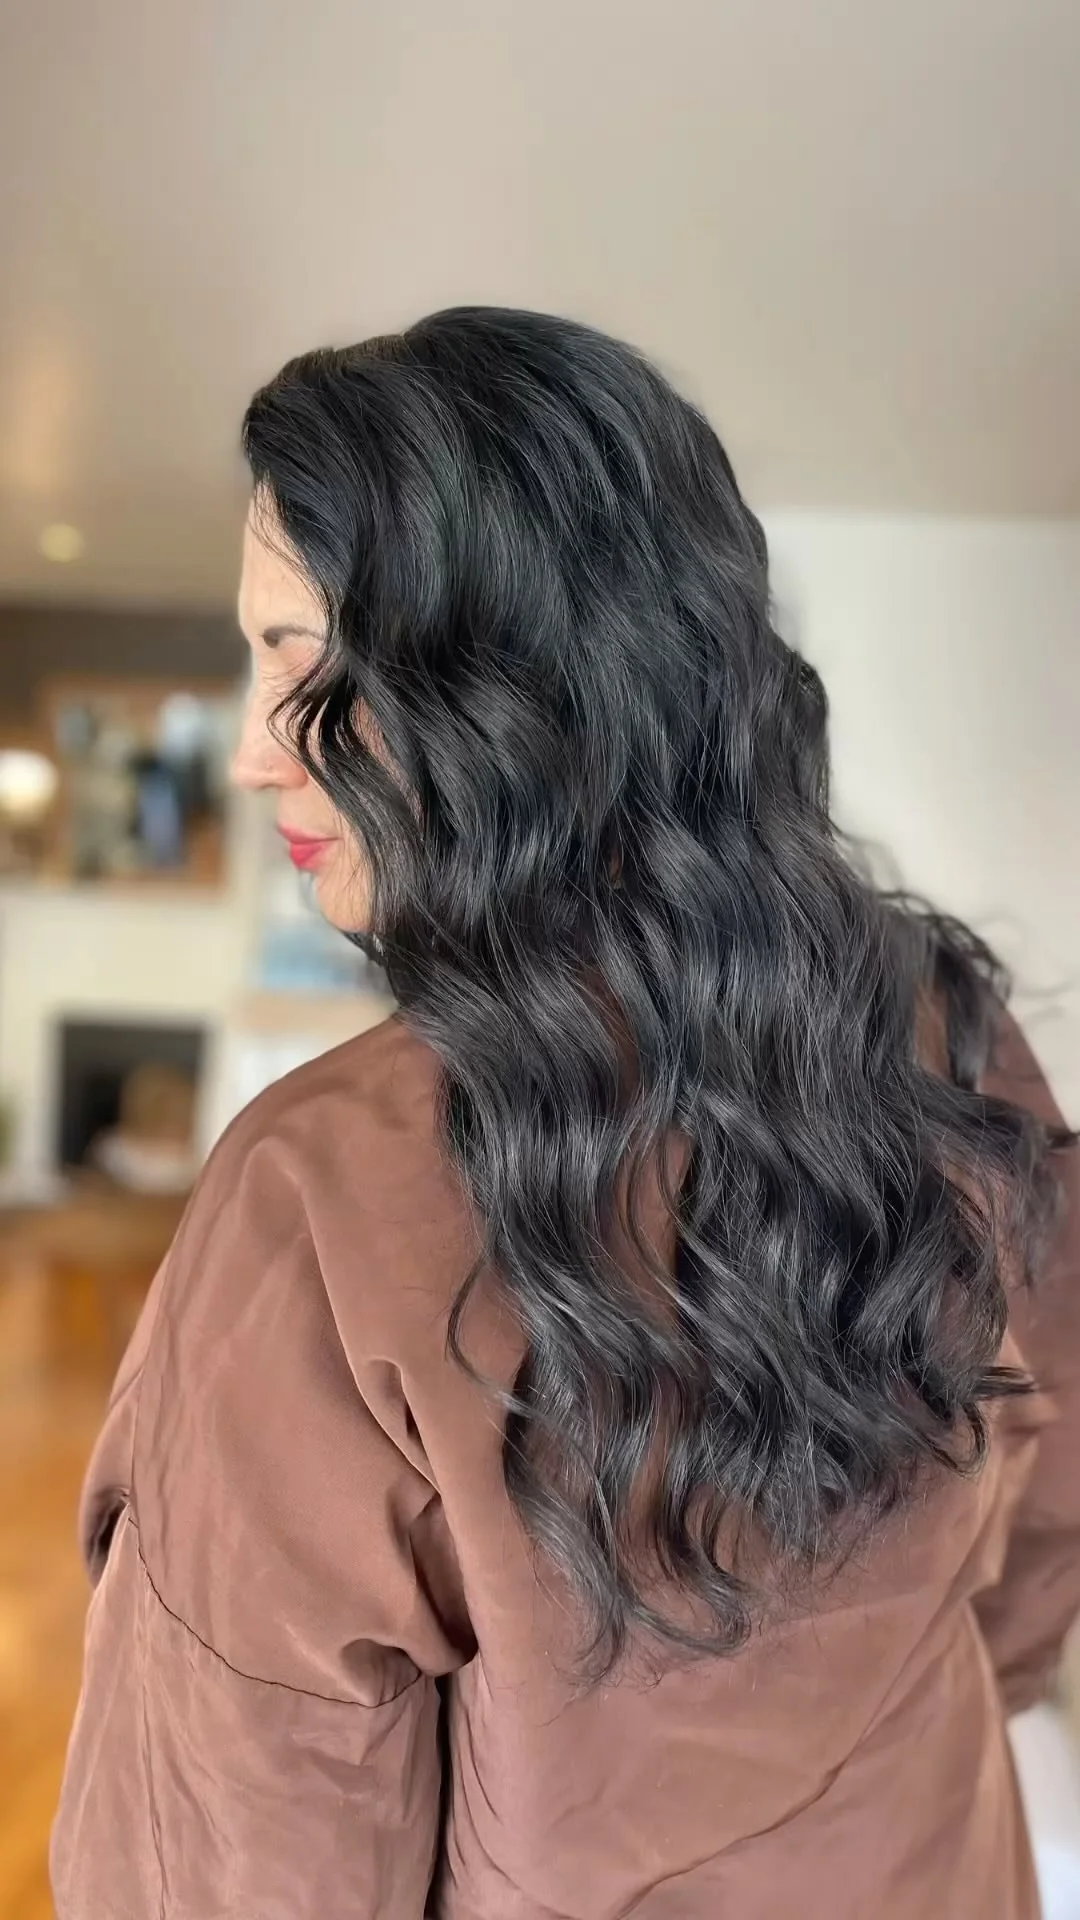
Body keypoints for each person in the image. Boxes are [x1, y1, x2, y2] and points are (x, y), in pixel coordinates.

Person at [53, 309, 1079, 1919]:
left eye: (298, 659)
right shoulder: (944, 1026)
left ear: (513, 679)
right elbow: (1038, 1516)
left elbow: (222, 1866)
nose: (257, 754)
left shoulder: (317, 1202)